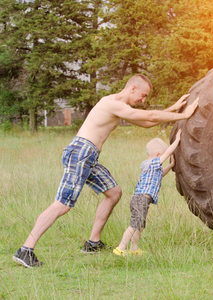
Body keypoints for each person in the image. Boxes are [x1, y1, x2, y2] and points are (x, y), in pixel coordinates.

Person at [12, 74, 199, 268]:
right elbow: (150, 116)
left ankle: (93, 243)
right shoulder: (111, 103)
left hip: (89, 156)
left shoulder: (120, 108)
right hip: (81, 153)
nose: (143, 100)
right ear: (132, 88)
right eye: (143, 95)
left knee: (114, 192)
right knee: (62, 204)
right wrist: (184, 115)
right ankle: (26, 249)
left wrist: (172, 109)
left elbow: (146, 122)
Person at [113, 129, 181, 256]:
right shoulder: (152, 164)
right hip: (141, 199)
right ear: (158, 154)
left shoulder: (151, 167)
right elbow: (167, 153)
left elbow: (161, 174)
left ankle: (134, 249)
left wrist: (171, 166)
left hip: (141, 200)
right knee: (133, 225)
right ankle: (120, 248)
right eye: (162, 156)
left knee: (140, 226)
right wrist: (177, 140)